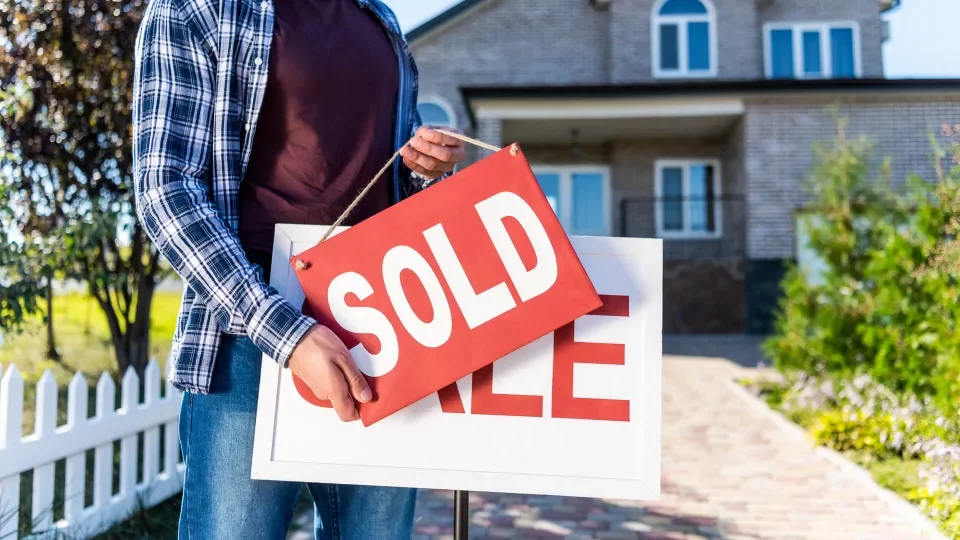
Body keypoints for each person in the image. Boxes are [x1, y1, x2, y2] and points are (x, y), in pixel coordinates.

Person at [131, 0, 466, 537]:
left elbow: (394, 180)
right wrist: (286, 334)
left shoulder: (379, 18)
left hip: (384, 328)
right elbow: (165, 190)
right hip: (248, 331)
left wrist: (428, 171)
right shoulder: (198, 7)